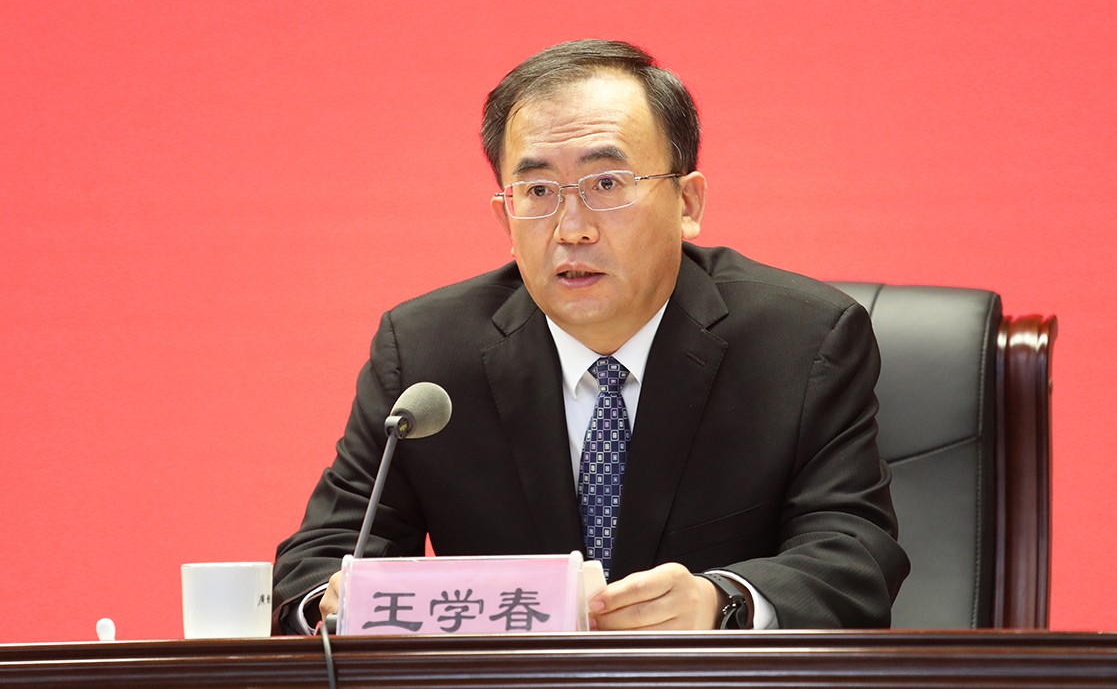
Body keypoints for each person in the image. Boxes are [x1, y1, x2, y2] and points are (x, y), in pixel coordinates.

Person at [272, 39, 908, 634]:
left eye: (606, 184)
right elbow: (318, 563)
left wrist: (722, 602)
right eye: (538, 191)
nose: (571, 228)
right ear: (506, 218)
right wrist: (332, 603)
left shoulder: (802, 341)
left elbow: (854, 555)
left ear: (687, 203)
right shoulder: (425, 354)